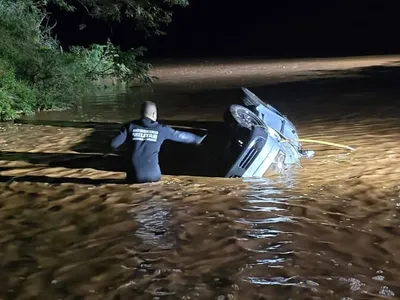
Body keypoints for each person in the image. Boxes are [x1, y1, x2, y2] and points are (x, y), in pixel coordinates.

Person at [110, 101, 206, 183]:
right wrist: (198, 139)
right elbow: (182, 136)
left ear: (141, 113)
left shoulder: (129, 126)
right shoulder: (161, 129)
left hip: (134, 176)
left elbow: (113, 144)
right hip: (153, 176)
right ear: (154, 114)